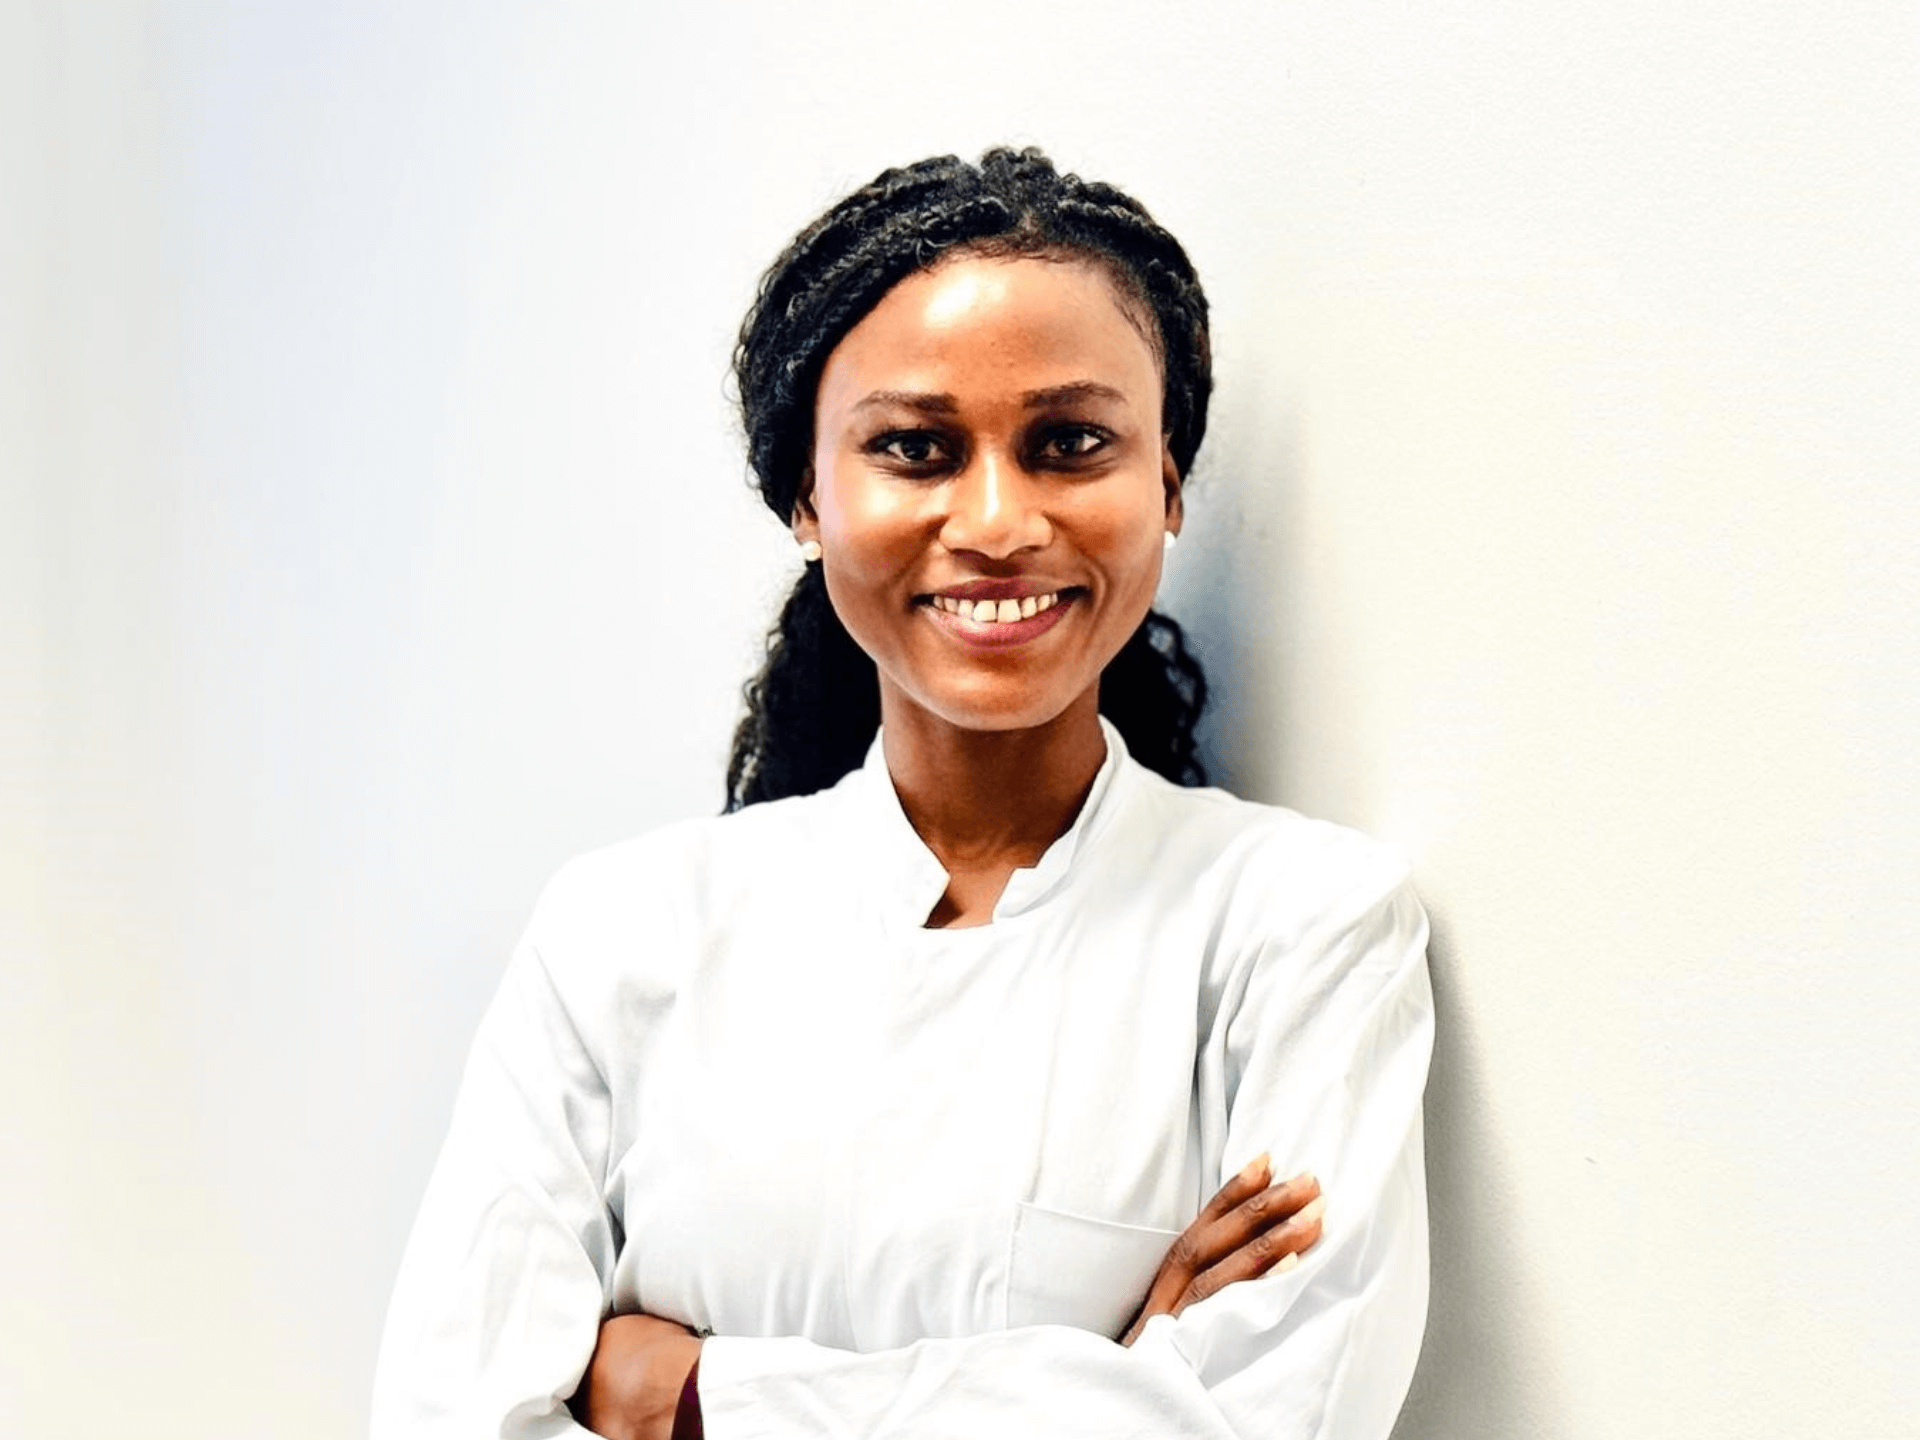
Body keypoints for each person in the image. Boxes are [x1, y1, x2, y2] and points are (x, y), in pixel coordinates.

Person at [370, 147, 1434, 1440]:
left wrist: (694, 1397)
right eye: (916, 449)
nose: (996, 521)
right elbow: (447, 1419)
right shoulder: (619, 934)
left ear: (1165, 485)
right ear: (808, 498)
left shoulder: (1305, 929)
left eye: (1069, 443)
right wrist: (1102, 1383)